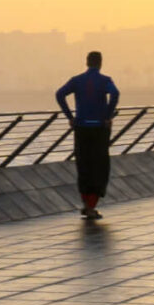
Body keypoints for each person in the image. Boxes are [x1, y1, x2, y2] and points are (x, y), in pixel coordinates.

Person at [56, 50, 121, 221]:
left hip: (81, 127)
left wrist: (70, 117)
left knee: (84, 166)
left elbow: (59, 94)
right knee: (99, 167)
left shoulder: (77, 80)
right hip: (99, 128)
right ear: (100, 63)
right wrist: (107, 116)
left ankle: (86, 205)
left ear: (86, 62)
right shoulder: (105, 81)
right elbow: (115, 93)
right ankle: (91, 208)